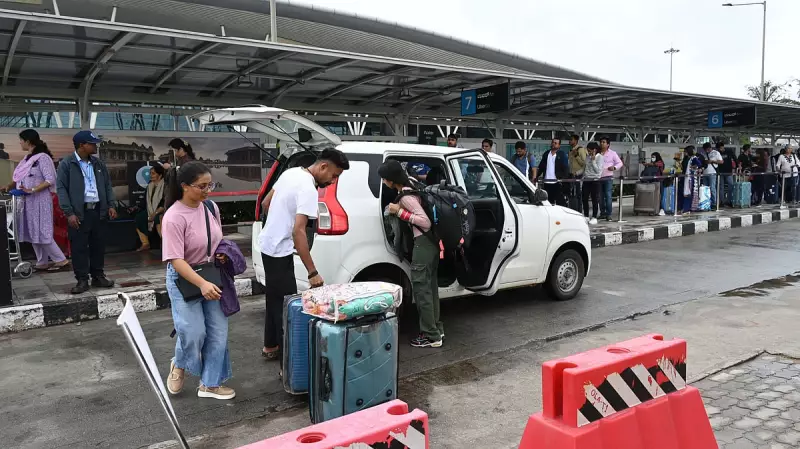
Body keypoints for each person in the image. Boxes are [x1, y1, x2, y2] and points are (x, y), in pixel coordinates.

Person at [259, 148, 350, 361]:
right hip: (279, 251)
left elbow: (265, 204)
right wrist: (312, 272)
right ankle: (288, 363)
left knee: (274, 299)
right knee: (287, 310)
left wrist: (275, 225)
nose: (332, 180)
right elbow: (298, 230)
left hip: (267, 246)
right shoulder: (309, 188)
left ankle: (270, 346)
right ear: (323, 166)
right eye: (334, 175)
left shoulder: (290, 173)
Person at [161, 161, 235, 400]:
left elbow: (216, 239)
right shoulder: (173, 217)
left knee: (217, 332)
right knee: (193, 333)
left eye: (209, 185)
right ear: (184, 186)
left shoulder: (210, 208)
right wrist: (201, 284)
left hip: (211, 275)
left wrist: (221, 252)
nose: (207, 190)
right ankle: (180, 363)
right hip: (185, 279)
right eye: (201, 186)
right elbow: (175, 259)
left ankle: (210, 384)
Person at [378, 160, 442, 348]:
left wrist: (399, 212)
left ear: (391, 179)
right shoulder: (411, 184)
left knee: (422, 290)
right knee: (430, 288)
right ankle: (437, 329)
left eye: (384, 179)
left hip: (423, 243)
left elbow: (425, 221)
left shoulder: (405, 197)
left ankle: (431, 335)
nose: (383, 182)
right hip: (431, 244)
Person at [57, 131, 116, 294]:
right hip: (79, 212)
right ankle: (82, 279)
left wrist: (111, 204)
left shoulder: (98, 164)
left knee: (98, 245)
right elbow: (61, 189)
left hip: (98, 210)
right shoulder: (67, 164)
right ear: (82, 145)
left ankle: (98, 276)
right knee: (79, 247)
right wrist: (69, 213)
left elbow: (107, 185)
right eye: (92, 143)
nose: (95, 145)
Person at [4, 130, 69, 272]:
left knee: (42, 230)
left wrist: (32, 190)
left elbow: (50, 179)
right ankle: (42, 262)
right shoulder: (28, 158)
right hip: (27, 201)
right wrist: (9, 186)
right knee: (33, 231)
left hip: (39, 200)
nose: (20, 143)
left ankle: (61, 260)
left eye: (21, 140)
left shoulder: (43, 158)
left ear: (28, 141)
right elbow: (20, 178)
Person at [134, 163, 166, 251]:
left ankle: (166, 243)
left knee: (157, 218)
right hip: (150, 210)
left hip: (163, 210)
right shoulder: (150, 186)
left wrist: (155, 213)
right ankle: (145, 243)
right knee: (139, 218)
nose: (150, 175)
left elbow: (165, 202)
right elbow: (144, 202)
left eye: (153, 173)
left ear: (160, 175)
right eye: (150, 173)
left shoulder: (165, 185)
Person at [164, 138, 196, 210]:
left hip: (182, 197)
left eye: (175, 150)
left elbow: (182, 175)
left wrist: (170, 168)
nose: (174, 153)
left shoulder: (187, 161)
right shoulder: (182, 160)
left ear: (181, 149)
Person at [537, 138, 569, 206]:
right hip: (546, 182)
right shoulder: (546, 154)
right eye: (553, 142)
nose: (553, 144)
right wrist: (536, 176)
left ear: (559, 145)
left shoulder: (562, 154)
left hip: (557, 182)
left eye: (555, 143)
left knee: (560, 202)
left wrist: (563, 180)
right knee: (548, 202)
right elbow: (541, 167)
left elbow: (566, 168)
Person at [598, 137, 623, 221]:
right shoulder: (597, 153)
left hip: (608, 177)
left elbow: (620, 163)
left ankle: (608, 214)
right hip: (598, 177)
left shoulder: (612, 153)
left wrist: (614, 167)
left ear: (608, 144)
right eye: (601, 142)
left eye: (604, 142)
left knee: (608, 196)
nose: (602, 143)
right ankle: (602, 213)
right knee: (600, 196)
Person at [582, 142, 604, 225]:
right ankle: (586, 216)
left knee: (595, 199)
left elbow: (598, 170)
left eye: (589, 150)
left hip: (595, 180)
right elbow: (585, 168)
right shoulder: (587, 157)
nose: (588, 152)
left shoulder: (600, 158)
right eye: (587, 150)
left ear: (594, 150)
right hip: (586, 180)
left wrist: (594, 160)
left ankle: (594, 216)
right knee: (584, 198)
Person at [681, 147, 704, 214]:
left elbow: (699, 164)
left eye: (685, 152)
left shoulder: (693, 158)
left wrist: (694, 167)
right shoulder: (687, 159)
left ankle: (688, 209)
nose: (684, 153)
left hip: (690, 178)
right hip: (687, 177)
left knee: (689, 193)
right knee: (687, 192)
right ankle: (686, 208)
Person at [568, 134, 587, 209]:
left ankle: (579, 210)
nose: (569, 141)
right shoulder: (570, 150)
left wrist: (576, 156)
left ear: (576, 141)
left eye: (571, 139)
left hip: (579, 175)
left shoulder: (581, 149)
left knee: (578, 194)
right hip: (571, 175)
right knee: (572, 193)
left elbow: (584, 163)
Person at [702, 142, 723, 208]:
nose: (706, 151)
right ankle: (706, 202)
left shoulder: (716, 153)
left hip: (712, 173)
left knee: (712, 188)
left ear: (709, 148)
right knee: (705, 189)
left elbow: (721, 161)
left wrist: (712, 161)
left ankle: (714, 203)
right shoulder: (704, 154)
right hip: (705, 173)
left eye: (706, 149)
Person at [718, 142, 737, 207]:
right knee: (721, 187)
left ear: (723, 146)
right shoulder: (718, 153)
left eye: (721, 148)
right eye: (719, 148)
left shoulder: (729, 151)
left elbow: (734, 158)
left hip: (728, 171)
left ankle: (729, 200)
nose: (720, 149)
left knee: (731, 185)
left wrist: (737, 166)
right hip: (720, 172)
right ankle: (722, 201)